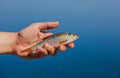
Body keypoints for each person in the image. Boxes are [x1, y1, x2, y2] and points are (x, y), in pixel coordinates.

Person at [0, 21, 74, 59]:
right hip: (45, 42)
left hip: (46, 43)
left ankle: (30, 49)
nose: (74, 36)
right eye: (72, 35)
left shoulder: (65, 38)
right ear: (68, 37)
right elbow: (61, 42)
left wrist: (15, 41)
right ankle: (30, 49)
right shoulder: (65, 38)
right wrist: (16, 41)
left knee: (54, 48)